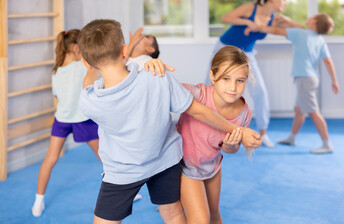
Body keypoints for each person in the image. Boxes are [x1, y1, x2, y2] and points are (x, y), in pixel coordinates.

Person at [77, 19, 261, 224]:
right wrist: (239, 130)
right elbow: (199, 111)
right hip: (165, 161)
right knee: (173, 214)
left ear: (86, 62)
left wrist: (112, 60)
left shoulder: (90, 101)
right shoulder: (156, 76)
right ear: (123, 50)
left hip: (123, 170)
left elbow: (88, 83)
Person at [147, 46, 253, 223]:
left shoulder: (243, 113)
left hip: (212, 166)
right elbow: (164, 87)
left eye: (240, 81)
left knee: (214, 214)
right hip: (186, 166)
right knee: (200, 220)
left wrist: (230, 144)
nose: (233, 87)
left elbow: (230, 150)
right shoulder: (197, 94)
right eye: (226, 78)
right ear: (212, 76)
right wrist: (152, 65)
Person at [207, 0, 296, 148]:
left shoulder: (274, 18)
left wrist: (287, 22)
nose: (284, 2)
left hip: (247, 54)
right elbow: (225, 18)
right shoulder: (251, 8)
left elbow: (290, 31)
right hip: (225, 48)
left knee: (260, 91)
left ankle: (263, 133)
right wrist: (247, 21)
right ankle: (206, 128)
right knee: (210, 88)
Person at [246, 13, 339, 153]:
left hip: (304, 78)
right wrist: (334, 80)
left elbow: (276, 31)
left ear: (313, 21)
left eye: (311, 17)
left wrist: (257, 27)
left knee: (313, 112)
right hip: (312, 78)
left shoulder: (301, 34)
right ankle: (292, 138)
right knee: (299, 110)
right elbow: (328, 61)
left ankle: (327, 144)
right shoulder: (319, 40)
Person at [32, 29, 100, 217]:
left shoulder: (56, 71)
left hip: (61, 119)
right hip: (82, 120)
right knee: (106, 157)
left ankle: (38, 202)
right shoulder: (83, 67)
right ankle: (124, 191)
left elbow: (57, 96)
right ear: (77, 48)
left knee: (50, 159)